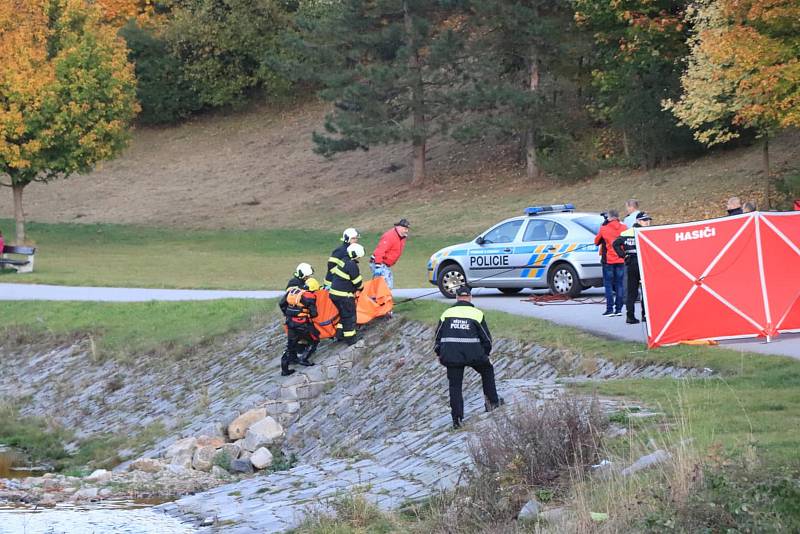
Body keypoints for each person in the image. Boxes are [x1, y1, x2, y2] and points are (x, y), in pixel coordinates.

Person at [435, 285, 504, 430]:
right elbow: (487, 339)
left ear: (457, 297)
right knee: (487, 370)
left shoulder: (446, 313)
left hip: (452, 355)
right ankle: (492, 402)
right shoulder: (476, 313)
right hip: (474, 354)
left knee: (455, 386)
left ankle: (457, 420)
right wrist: (486, 354)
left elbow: (438, 337)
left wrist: (439, 353)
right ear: (470, 297)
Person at [613, 212, 652, 324]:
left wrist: (623, 255)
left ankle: (633, 317)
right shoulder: (645, 233)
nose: (647, 222)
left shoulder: (627, 233)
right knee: (640, 291)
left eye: (648, 220)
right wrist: (623, 255)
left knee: (635, 292)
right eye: (645, 220)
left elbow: (615, 244)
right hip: (638, 263)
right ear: (638, 221)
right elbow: (615, 243)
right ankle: (642, 316)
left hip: (634, 263)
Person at [279, 277, 321, 376]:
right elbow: (314, 313)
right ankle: (304, 359)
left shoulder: (293, 291)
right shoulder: (309, 296)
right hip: (302, 324)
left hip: (289, 323)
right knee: (315, 339)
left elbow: (282, 303)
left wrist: (288, 314)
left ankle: (284, 369)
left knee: (290, 345)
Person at [329, 242, 365, 345]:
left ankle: (340, 334)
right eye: (359, 257)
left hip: (334, 295)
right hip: (344, 296)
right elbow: (357, 282)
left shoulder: (343, 261)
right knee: (350, 316)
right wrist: (361, 288)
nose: (359, 259)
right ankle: (351, 339)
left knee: (343, 315)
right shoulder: (352, 265)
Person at [594, 210, 626, 317]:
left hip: (608, 261)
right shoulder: (624, 227)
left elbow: (596, 241)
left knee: (608, 285)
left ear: (610, 218)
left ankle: (609, 309)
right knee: (619, 285)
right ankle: (619, 309)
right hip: (621, 259)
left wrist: (603, 226)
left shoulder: (604, 228)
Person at [370, 218, 410, 289]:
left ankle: (379, 299)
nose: (407, 231)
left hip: (385, 264)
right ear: (399, 227)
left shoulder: (402, 237)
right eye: (405, 228)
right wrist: (378, 266)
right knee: (386, 285)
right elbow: (380, 251)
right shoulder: (389, 236)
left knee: (386, 284)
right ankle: (380, 299)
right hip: (379, 262)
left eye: (407, 229)